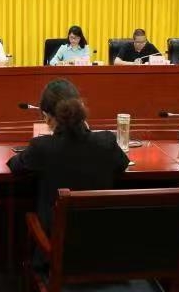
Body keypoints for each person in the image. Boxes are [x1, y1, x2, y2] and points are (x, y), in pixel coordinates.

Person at [7, 79, 129, 232]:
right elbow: (122, 165)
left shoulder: (42, 147)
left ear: (46, 117)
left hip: (56, 242)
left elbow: (14, 165)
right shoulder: (106, 141)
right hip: (101, 240)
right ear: (80, 109)